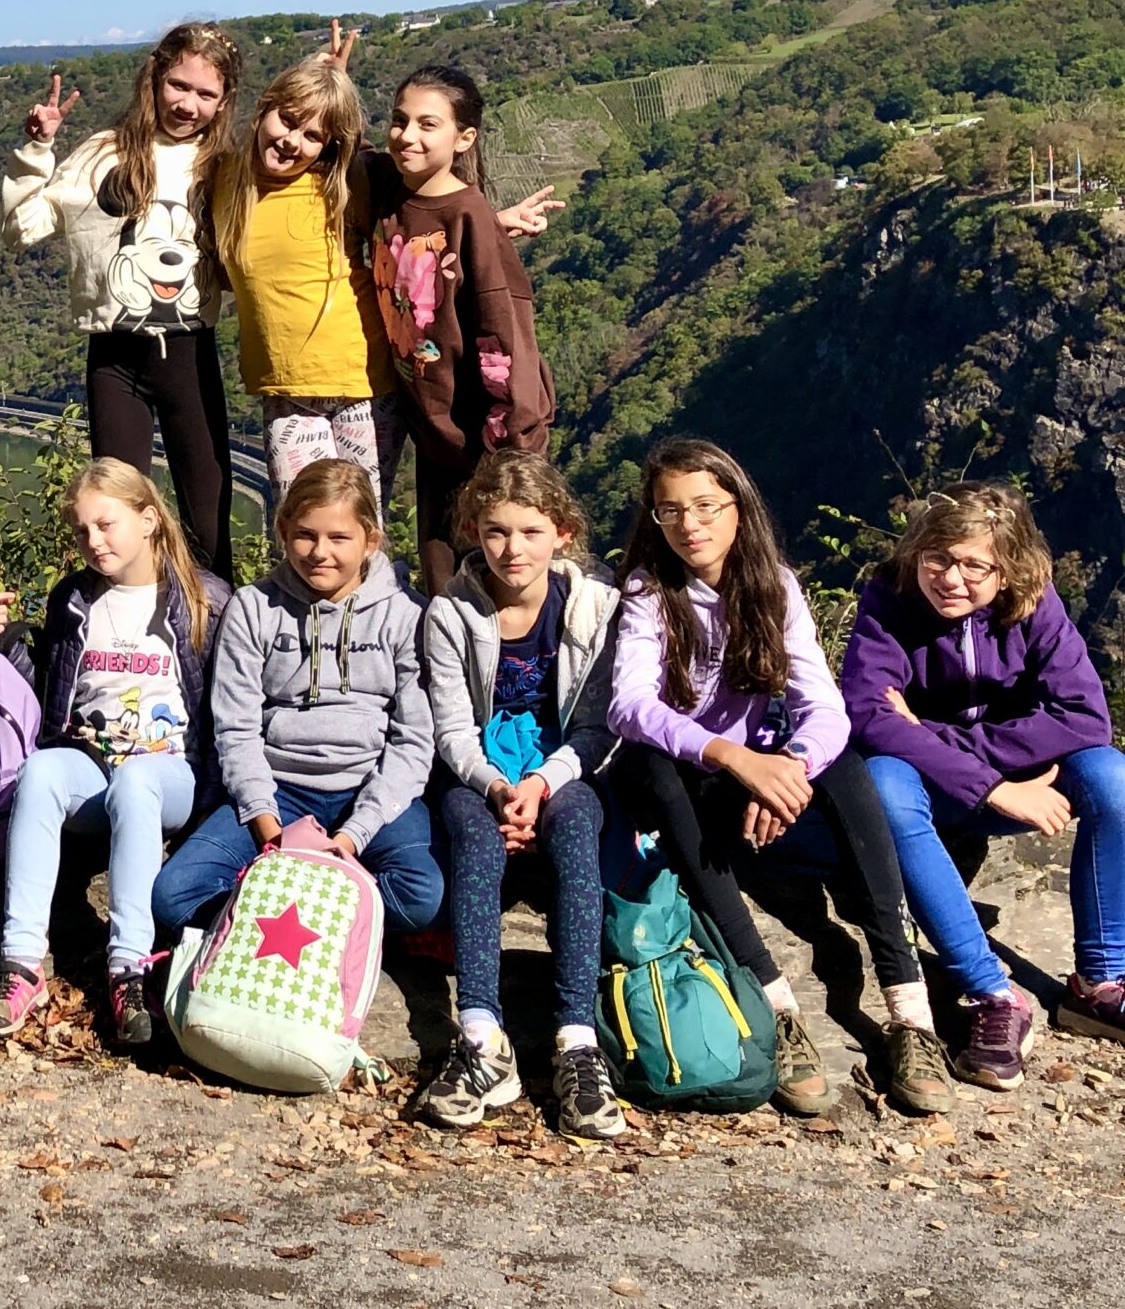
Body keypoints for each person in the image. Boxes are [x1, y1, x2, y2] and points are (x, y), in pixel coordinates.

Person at [606, 437, 951, 1116]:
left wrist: (790, 768)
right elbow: (630, 706)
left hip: (748, 776)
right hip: (680, 781)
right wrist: (733, 757)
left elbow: (823, 707)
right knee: (655, 766)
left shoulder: (774, 586)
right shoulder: (649, 591)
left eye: (705, 506)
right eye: (670, 510)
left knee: (847, 768)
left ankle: (909, 1011)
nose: (689, 525)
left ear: (739, 508)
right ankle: (774, 1005)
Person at [842, 482, 1125, 1087]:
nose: (952, 578)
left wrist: (933, 736)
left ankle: (1097, 985)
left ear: (1008, 569)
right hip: (933, 783)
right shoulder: (889, 598)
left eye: (975, 565)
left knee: (1111, 777)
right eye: (937, 558)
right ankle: (993, 994)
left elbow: (1085, 719)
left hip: (1021, 775)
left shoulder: (1035, 602)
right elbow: (868, 714)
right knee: (884, 787)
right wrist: (990, 786)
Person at [216, 27, 557, 508]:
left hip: (367, 381)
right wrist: (326, 81)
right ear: (263, 109)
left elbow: (427, 219)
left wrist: (488, 227)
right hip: (288, 386)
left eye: (313, 135)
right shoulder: (227, 181)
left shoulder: (343, 181)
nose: (293, 141)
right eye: (287, 120)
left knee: (360, 522)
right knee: (302, 522)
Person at [0, 458, 229, 1048]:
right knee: (41, 770)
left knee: (137, 782)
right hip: (92, 764)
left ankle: (130, 968)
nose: (94, 541)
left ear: (149, 519)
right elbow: (49, 690)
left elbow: (229, 700)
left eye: (107, 525)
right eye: (83, 530)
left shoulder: (204, 599)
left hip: (171, 775)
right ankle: (20, 962)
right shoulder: (75, 598)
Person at [413, 451, 624, 1139]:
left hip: (561, 769)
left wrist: (540, 783)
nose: (513, 549)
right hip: (481, 773)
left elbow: (597, 728)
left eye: (531, 532)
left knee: (577, 827)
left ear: (563, 533)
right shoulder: (451, 612)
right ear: (474, 533)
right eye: (496, 531)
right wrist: (498, 787)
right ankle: (480, 1034)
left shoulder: (593, 607)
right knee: (473, 837)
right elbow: (451, 728)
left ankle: (576, 1038)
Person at [151, 458, 442, 946]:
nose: (320, 552)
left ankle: (286, 933)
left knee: (422, 897)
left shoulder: (405, 614)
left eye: (339, 538)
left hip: (367, 787)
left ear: (370, 540)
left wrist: (351, 838)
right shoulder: (254, 607)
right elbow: (236, 729)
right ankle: (311, 933)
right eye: (305, 535)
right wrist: (270, 833)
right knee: (174, 896)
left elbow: (413, 740)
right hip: (278, 789)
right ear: (284, 531)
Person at [0, 23, 246, 576]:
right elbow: (22, 229)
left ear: (224, 100)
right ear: (154, 79)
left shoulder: (226, 166)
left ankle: (214, 624)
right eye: (178, 85)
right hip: (115, 361)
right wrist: (37, 149)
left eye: (206, 94)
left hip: (190, 356)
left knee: (209, 523)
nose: (188, 105)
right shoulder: (102, 154)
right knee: (114, 522)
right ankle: (124, 620)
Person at [369, 66, 554, 593]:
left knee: (495, 583)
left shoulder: (469, 217)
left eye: (428, 124)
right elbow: (343, 146)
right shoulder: (390, 189)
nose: (407, 135)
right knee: (443, 587)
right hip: (434, 435)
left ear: (464, 138)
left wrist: (511, 451)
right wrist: (332, 80)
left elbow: (505, 337)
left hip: (482, 442)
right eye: (399, 120)